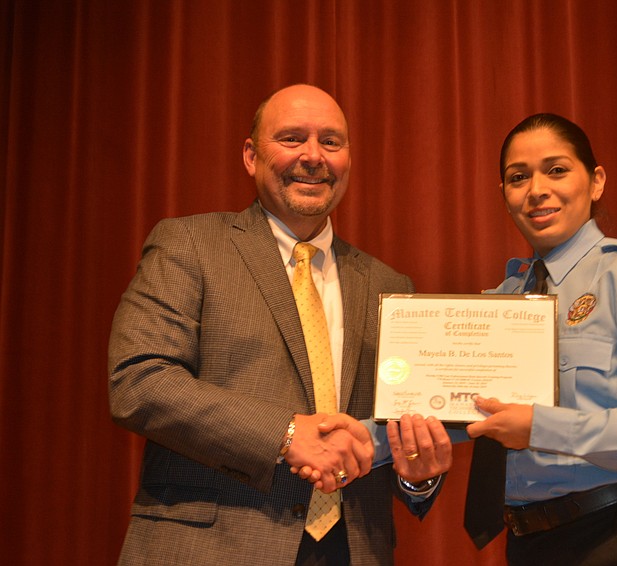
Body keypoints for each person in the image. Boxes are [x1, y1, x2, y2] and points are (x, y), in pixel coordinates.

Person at [108, 84, 452, 566]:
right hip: (212, 549)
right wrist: (286, 434)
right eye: (292, 138)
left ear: (349, 159)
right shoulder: (190, 245)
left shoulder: (390, 286)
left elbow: (398, 434)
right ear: (250, 156)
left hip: (350, 550)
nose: (314, 156)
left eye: (331, 142)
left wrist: (418, 473)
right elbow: (138, 383)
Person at [465, 113, 617, 565]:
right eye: (518, 177)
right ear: (505, 196)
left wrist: (541, 427)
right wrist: (363, 438)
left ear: (596, 181)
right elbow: (451, 405)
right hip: (529, 543)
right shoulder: (502, 302)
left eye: (556, 170)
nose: (537, 188)